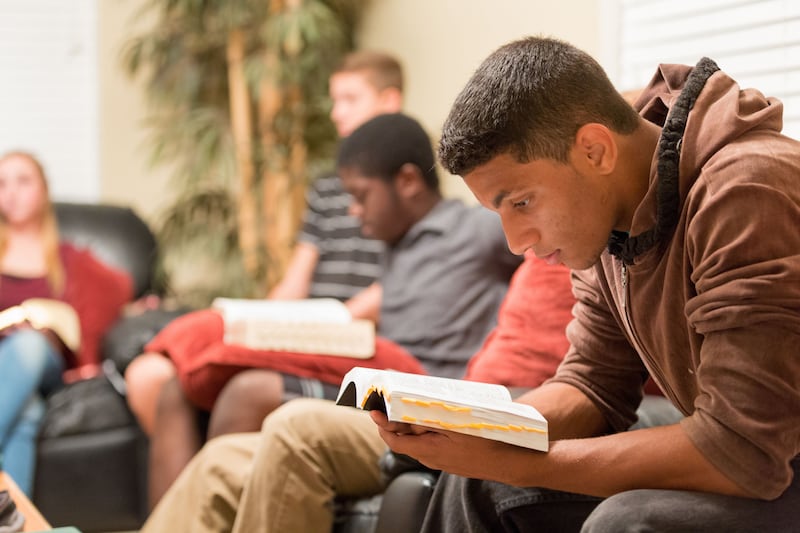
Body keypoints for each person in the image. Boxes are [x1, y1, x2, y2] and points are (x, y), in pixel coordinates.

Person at [368, 36, 800, 532]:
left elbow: (741, 450)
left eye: (522, 202)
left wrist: (513, 461)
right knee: (479, 482)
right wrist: (472, 430)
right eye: (498, 212)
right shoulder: (612, 220)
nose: (514, 242)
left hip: (772, 460)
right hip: (767, 464)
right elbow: (593, 385)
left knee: (628, 521)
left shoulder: (745, 192)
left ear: (595, 150)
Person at [139, 200, 582, 533]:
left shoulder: (589, 247)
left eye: (519, 199)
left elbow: (594, 388)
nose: (515, 234)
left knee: (297, 427)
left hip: (493, 406)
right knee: (221, 460)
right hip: (460, 393)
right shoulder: (530, 242)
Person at [123, 50, 406, 507]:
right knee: (151, 375)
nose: (337, 113)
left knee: (235, 385)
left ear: (390, 100)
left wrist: (335, 321)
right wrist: (257, 323)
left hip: (351, 335)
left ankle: (211, 505)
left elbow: (404, 281)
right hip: (311, 324)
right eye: (335, 101)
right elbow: (296, 278)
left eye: (350, 99)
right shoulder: (326, 186)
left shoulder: (408, 179)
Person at [0, 151, 133, 496]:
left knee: (28, 343)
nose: (10, 191)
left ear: (43, 190)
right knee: (26, 413)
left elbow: (117, 290)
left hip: (43, 363)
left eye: (23, 181)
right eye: (2, 183)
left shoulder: (68, 258)